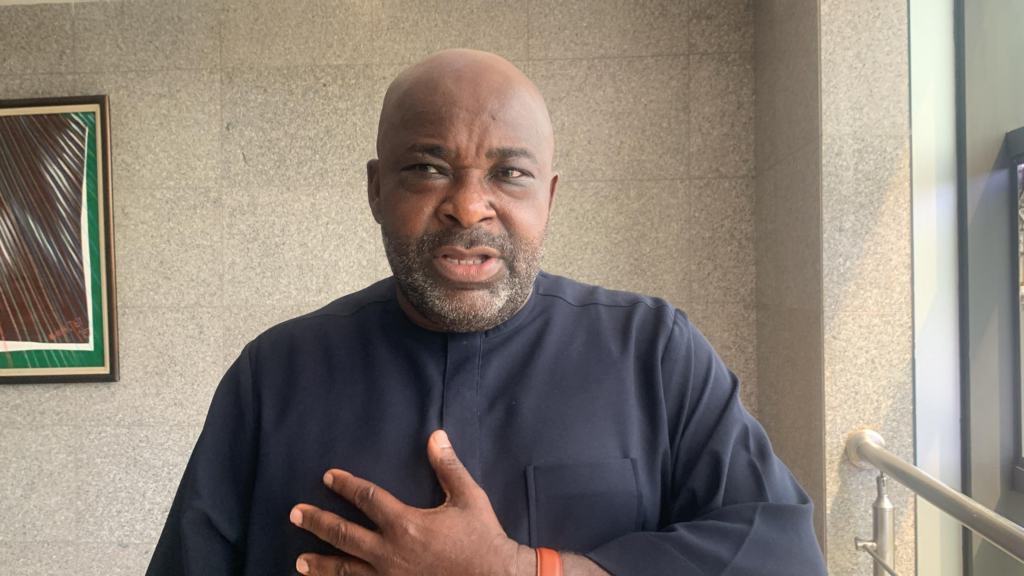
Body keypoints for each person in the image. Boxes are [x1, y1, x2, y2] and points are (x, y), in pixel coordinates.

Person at [146, 49, 827, 576]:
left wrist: (527, 569)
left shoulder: (654, 353)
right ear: (377, 190)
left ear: (548, 198)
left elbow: (785, 558)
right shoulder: (274, 376)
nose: (470, 207)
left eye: (509, 174)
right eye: (428, 168)